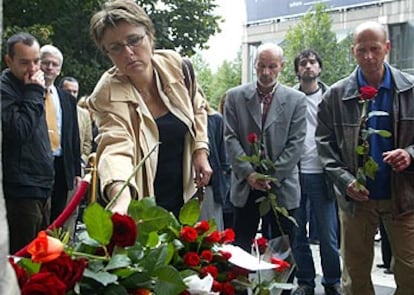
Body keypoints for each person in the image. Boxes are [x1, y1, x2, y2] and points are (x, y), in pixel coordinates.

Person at [315, 21, 414, 294]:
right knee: (355, 274)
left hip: (403, 196)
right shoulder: (335, 95)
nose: (369, 56)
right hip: (356, 200)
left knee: (410, 271)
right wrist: (345, 180)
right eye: (362, 50)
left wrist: (409, 153)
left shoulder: (410, 89)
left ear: (388, 48)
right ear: (353, 51)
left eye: (375, 49)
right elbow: (324, 145)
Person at [88, 0, 212, 215]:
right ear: (107, 53)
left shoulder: (176, 65)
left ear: (150, 36)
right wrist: (121, 196)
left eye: (134, 40)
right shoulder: (106, 93)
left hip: (185, 197)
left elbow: (197, 105)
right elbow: (115, 146)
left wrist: (200, 150)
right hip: (142, 204)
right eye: (116, 48)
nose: (128, 52)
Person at [223, 43, 306, 253]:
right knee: (240, 246)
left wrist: (271, 176)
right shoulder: (235, 97)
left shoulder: (296, 100)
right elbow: (230, 138)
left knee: (283, 248)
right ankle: (240, 286)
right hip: (245, 185)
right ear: (254, 64)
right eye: (261, 66)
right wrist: (249, 174)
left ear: (282, 66)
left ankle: (279, 287)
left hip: (281, 186)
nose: (266, 72)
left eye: (272, 66)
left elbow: (296, 143)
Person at [291, 49, 341, 295]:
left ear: (319, 68)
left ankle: (332, 280)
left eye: (312, 62)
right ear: (297, 70)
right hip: (295, 174)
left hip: (324, 174)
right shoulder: (289, 98)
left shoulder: (332, 97)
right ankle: (305, 282)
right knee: (297, 233)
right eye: (303, 63)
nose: (308, 66)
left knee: (328, 235)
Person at [1, 32, 54, 253]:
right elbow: (19, 130)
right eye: (24, 62)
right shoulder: (6, 89)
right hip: (20, 189)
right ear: (9, 60)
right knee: (23, 260)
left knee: (43, 258)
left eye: (36, 62)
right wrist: (34, 92)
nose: (33, 69)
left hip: (41, 185)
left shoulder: (30, 87)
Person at [40, 45, 81, 223]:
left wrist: (76, 171)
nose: (49, 67)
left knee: (57, 217)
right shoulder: (28, 93)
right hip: (36, 164)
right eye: (45, 63)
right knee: (37, 216)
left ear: (59, 69)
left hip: (61, 165)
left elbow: (73, 136)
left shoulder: (67, 99)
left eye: (54, 64)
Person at [200, 103, 231, 231]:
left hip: (209, 188)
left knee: (209, 234)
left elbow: (223, 158)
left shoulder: (215, 119)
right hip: (181, 187)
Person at [60, 76, 93, 167]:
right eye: (68, 91)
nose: (71, 94)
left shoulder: (84, 114)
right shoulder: (52, 109)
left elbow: (87, 141)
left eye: (74, 92)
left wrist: (82, 161)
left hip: (75, 163)